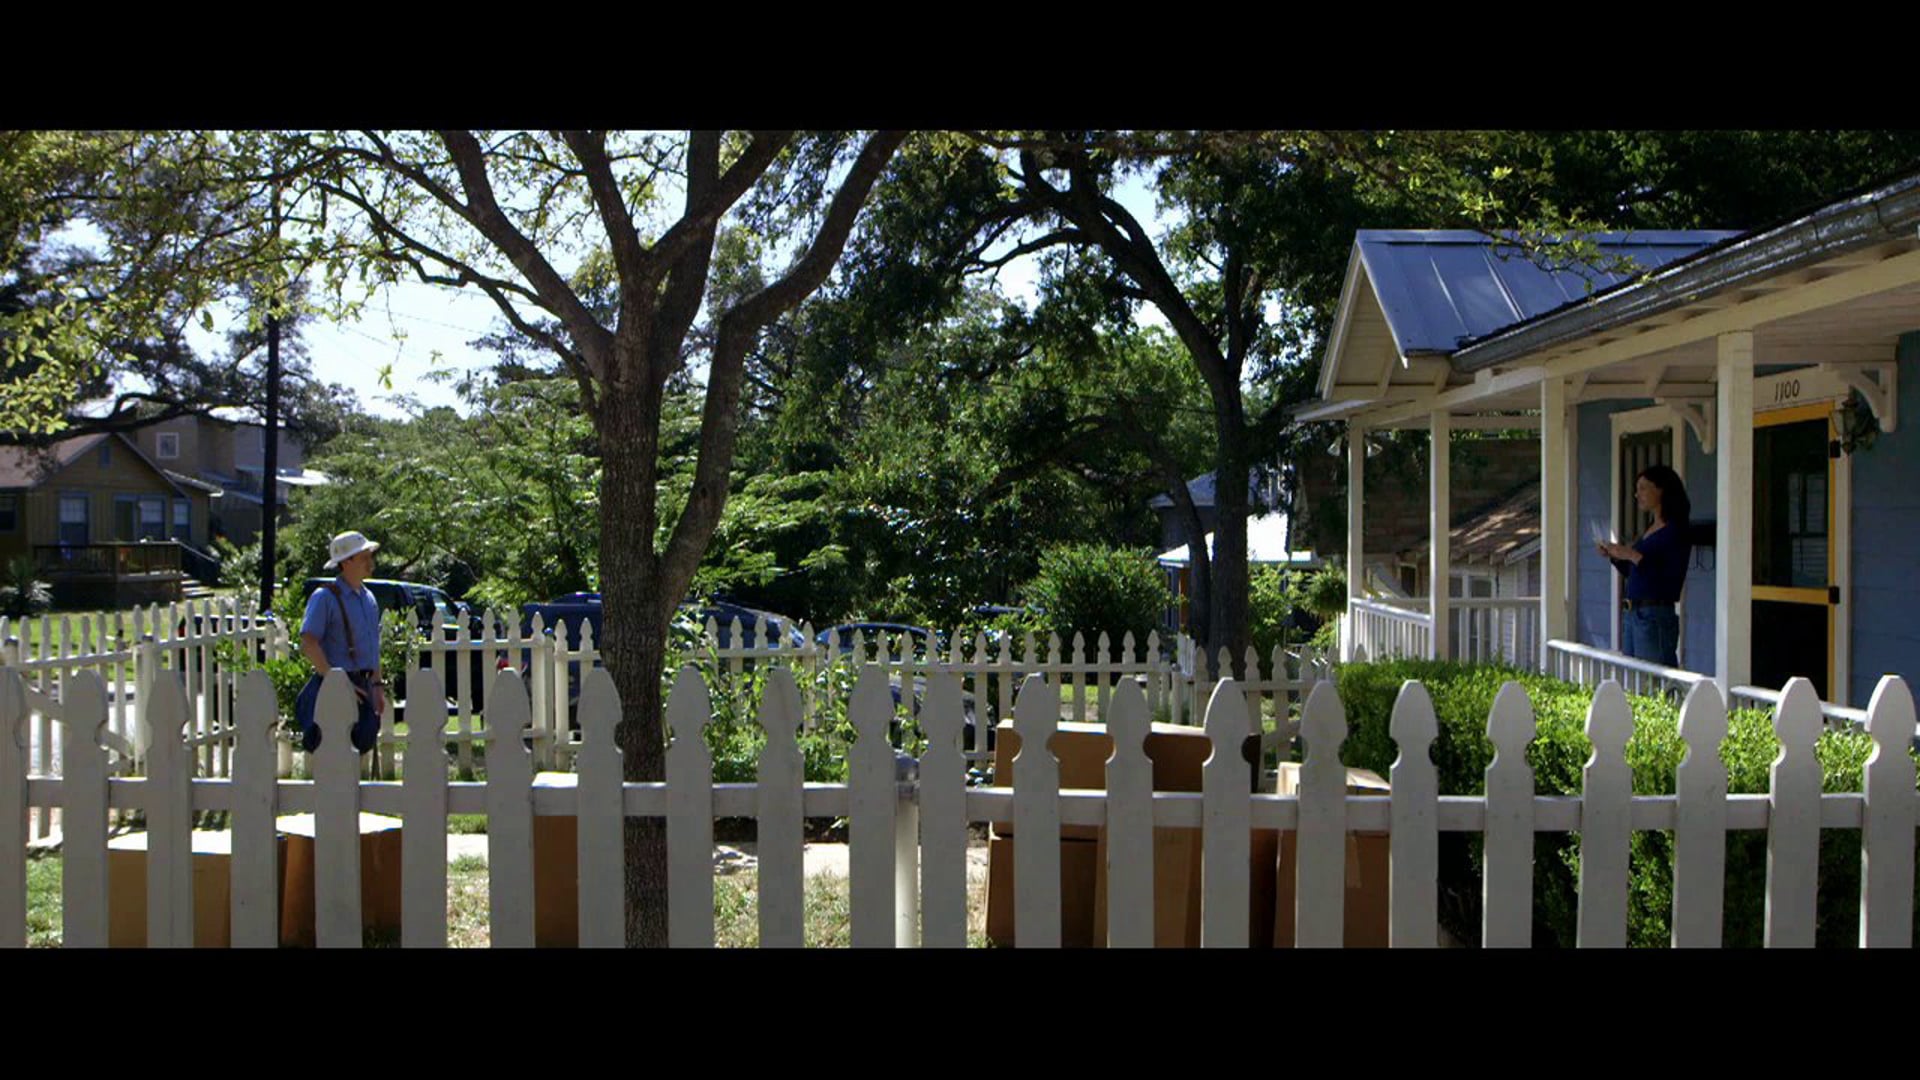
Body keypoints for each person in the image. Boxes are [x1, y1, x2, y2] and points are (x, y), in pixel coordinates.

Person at [296, 530, 386, 754]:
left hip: (363, 686)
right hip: (334, 685)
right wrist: (336, 682)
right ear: (346, 562)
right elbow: (308, 642)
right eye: (364, 557)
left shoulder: (369, 598)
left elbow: (373, 648)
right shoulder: (324, 597)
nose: (370, 562)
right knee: (331, 751)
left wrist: (376, 686)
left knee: (361, 745)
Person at [1596, 465, 1691, 668]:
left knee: (1653, 681)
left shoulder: (1675, 530)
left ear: (1661, 490)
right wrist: (1615, 557)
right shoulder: (1651, 528)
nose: (1637, 494)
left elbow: (1668, 578)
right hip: (1634, 613)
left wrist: (1631, 554)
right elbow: (1636, 571)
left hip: (1654, 615)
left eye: (1643, 488)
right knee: (1634, 678)